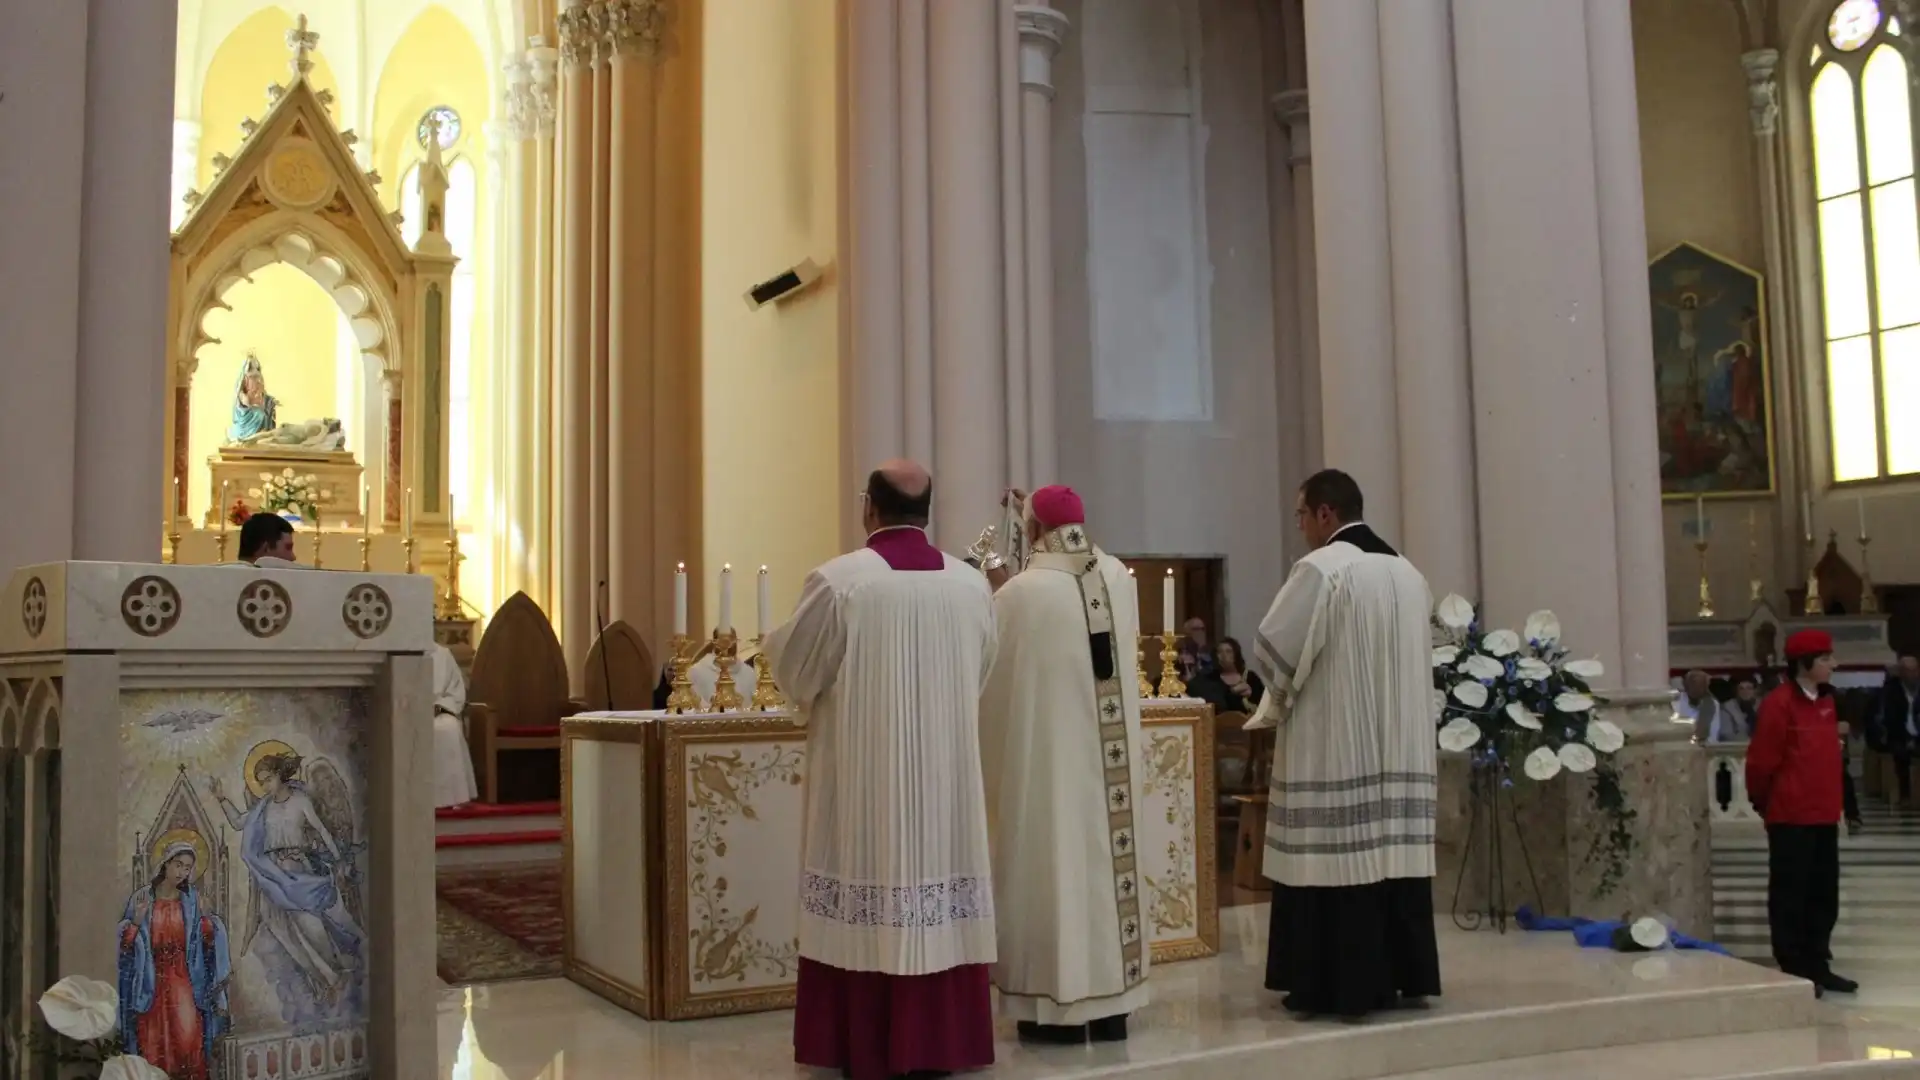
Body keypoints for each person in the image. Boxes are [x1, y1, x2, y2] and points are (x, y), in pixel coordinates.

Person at [765, 460, 999, 1080]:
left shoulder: (841, 582)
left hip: (866, 782)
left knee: (865, 877)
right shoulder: (970, 585)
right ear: (928, 513)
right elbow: (981, 672)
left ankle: (865, 1046)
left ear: (868, 507)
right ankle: (940, 1045)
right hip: (945, 783)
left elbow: (794, 672)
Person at [1246, 469, 1440, 1020]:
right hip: (1397, 744)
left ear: (1326, 514)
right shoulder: (1408, 574)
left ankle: (1331, 984)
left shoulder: (1322, 569)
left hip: (1338, 741)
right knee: (1389, 856)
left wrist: (1276, 698)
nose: (1302, 528)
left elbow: (1273, 647)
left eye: (1302, 516)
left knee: (1334, 859)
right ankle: (1404, 975)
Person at [977, 485, 1148, 1045]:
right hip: (1107, 776)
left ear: (1031, 534)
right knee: (1102, 872)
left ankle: (1056, 1014)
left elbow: (992, 679)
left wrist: (999, 588)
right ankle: (1112, 1008)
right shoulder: (1119, 578)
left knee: (1049, 868)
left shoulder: (1021, 595)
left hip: (1047, 768)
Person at [1747, 628, 1856, 998]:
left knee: (1824, 894)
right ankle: (1794, 967)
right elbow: (1762, 762)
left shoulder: (1826, 701)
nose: (1833, 665)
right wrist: (1765, 803)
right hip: (1791, 817)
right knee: (1791, 894)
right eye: (1825, 659)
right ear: (1804, 664)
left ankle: (1818, 963)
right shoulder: (1779, 704)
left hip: (1824, 814)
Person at [430, 643, 477, 808]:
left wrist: (439, 706)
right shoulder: (400, 651)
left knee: (447, 728)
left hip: (437, 710)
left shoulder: (442, 654)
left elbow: (455, 690)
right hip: (406, 710)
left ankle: (453, 798)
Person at [1875, 656, 1919, 807]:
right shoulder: (1891, 691)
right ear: (1900, 673)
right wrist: (1907, 739)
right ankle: (1905, 795)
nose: (1912, 675)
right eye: (1907, 671)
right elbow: (1889, 719)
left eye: (1914, 670)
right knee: (1901, 755)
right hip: (1899, 736)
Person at [1190, 638, 1265, 719]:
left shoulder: (1250, 677)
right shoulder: (1210, 679)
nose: (1224, 656)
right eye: (1219, 652)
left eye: (1228, 651)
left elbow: (1265, 703)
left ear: (1236, 655)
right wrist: (1232, 692)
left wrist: (1251, 695)